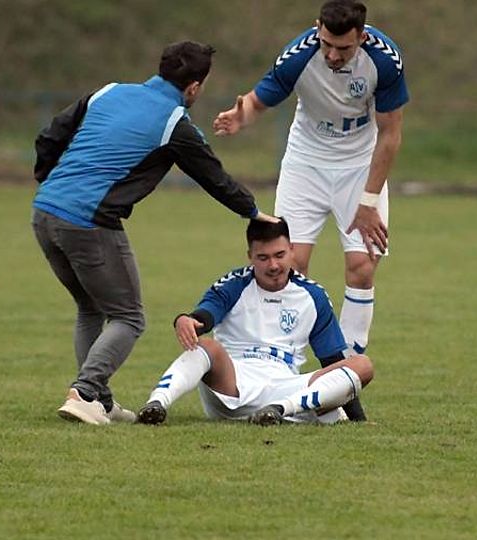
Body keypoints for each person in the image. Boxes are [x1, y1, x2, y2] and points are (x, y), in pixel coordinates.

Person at [32, 41, 275, 425]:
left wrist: (51, 182)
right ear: (194, 87)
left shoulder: (109, 92)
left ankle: (101, 401)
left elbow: (50, 135)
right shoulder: (174, 123)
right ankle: (85, 393)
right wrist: (255, 213)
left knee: (91, 307)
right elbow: (213, 177)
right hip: (88, 223)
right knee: (129, 317)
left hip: (44, 212)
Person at [211, 0, 408, 421]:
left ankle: (345, 380)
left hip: (359, 167)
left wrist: (369, 202)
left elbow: (390, 134)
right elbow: (259, 98)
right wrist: (240, 117)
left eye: (344, 48)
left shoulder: (384, 61)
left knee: (362, 266)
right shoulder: (299, 55)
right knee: (290, 264)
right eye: (327, 44)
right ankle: (283, 371)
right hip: (306, 164)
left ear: (362, 36)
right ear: (317, 29)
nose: (333, 55)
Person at [136, 218, 374, 426]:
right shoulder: (233, 284)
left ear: (292, 250)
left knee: (361, 365)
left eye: (279, 255)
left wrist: (358, 421)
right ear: (250, 256)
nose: (273, 265)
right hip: (232, 386)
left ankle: (278, 410)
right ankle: (156, 404)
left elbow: (332, 360)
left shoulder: (313, 295)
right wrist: (186, 320)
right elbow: (205, 315)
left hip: (287, 388)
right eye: (263, 258)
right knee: (206, 346)